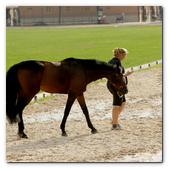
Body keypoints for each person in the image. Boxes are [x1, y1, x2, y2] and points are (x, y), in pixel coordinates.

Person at [107, 48, 133, 130]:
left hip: (112, 85)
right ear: (120, 54)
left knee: (123, 102)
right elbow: (118, 76)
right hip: (116, 86)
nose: (125, 57)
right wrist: (126, 75)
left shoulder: (111, 61)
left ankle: (114, 120)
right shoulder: (117, 63)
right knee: (116, 105)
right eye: (124, 55)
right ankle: (114, 125)